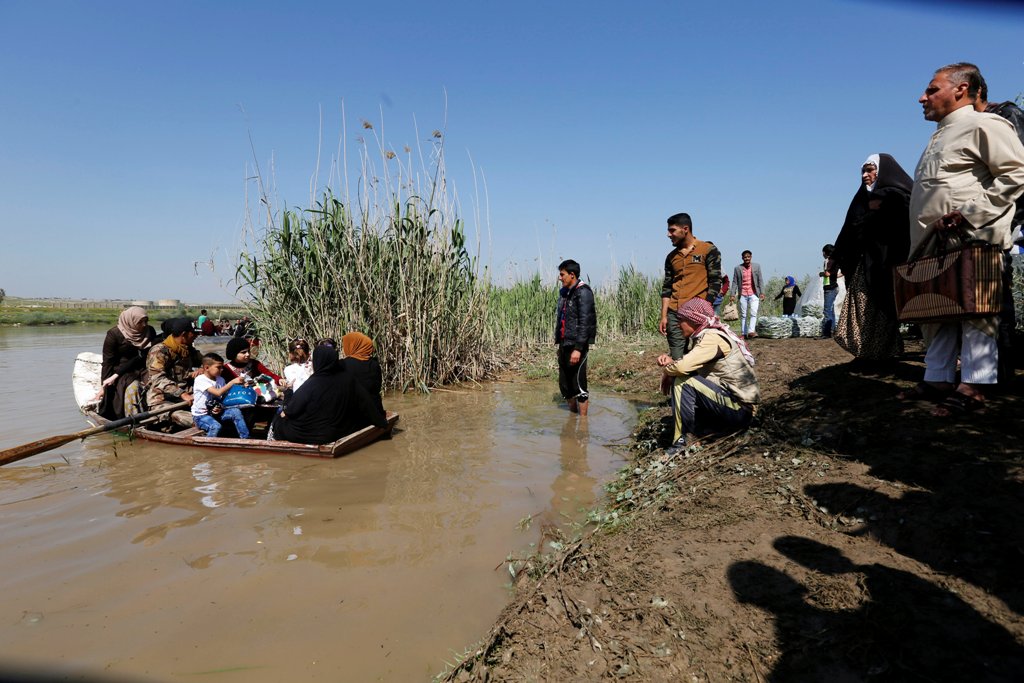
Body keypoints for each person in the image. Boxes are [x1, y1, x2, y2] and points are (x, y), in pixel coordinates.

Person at [904, 62, 1024, 415]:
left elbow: (1016, 174)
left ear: (960, 89)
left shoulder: (985, 124)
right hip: (933, 243)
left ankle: (974, 385)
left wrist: (970, 213)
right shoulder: (940, 134)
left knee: (976, 312)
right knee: (938, 310)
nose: (922, 97)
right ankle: (939, 377)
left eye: (932, 89)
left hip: (971, 237)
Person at [831, 153, 913, 360]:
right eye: (863, 171)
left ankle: (886, 353)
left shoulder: (897, 195)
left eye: (870, 170)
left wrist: (880, 212)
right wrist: (836, 256)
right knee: (860, 305)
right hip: (863, 264)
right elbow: (848, 228)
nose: (865, 175)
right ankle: (865, 353)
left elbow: (903, 226)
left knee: (884, 308)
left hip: (887, 262)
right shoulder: (861, 198)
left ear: (882, 171)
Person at [657, 298, 760, 456]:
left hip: (741, 410)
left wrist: (668, 370)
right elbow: (689, 366)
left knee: (682, 381)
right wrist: (673, 364)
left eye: (681, 321)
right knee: (683, 377)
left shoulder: (712, 338)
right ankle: (703, 430)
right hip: (734, 404)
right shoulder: (706, 336)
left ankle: (681, 441)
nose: (678, 325)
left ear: (694, 320)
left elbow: (683, 368)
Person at [974, 75, 1024, 382]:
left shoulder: (1004, 117)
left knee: (997, 285)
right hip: (996, 216)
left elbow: (1014, 173)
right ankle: (998, 368)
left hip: (1007, 216)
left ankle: (1002, 368)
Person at [270, 344, 388, 445]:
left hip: (316, 436)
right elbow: (366, 404)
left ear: (317, 362)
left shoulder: (312, 383)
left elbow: (292, 410)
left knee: (279, 421)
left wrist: (285, 405)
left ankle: (271, 440)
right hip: (342, 430)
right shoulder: (348, 379)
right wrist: (382, 424)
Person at [660, 213, 722, 359]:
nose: (669, 234)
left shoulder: (708, 250)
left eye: (672, 230)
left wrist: (704, 309)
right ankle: (678, 381)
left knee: (701, 357)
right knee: (677, 358)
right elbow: (667, 288)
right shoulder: (671, 257)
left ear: (685, 229)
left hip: (697, 315)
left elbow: (715, 282)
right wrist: (664, 316)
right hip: (674, 313)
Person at [97, 306, 156, 420]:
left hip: (144, 366)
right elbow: (108, 362)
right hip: (122, 371)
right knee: (133, 388)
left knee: (155, 383)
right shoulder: (114, 334)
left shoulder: (150, 331)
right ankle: (135, 420)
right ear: (130, 321)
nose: (144, 325)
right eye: (140, 322)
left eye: (146, 321)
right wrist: (103, 386)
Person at [555, 259, 597, 416]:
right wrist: (560, 344)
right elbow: (563, 320)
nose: (560, 278)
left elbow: (585, 322)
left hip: (576, 345)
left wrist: (578, 349)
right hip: (565, 343)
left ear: (572, 275)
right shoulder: (565, 293)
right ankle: (573, 417)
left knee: (578, 383)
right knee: (565, 385)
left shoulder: (583, 292)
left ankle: (584, 421)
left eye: (562, 274)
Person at [142, 317, 198, 419]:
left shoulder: (187, 349)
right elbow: (158, 379)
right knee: (191, 419)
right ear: (184, 334)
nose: (196, 336)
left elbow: (207, 361)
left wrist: (203, 369)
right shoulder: (159, 351)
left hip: (188, 396)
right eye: (193, 333)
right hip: (162, 399)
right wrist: (182, 394)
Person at [191, 353, 250, 439]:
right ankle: (208, 446)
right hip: (201, 416)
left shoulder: (220, 379)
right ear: (207, 368)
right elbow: (218, 393)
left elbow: (224, 396)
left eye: (222, 367)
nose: (222, 369)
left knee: (236, 411)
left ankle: (245, 439)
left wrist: (241, 386)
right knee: (216, 426)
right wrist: (232, 382)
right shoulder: (200, 379)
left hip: (216, 413)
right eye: (218, 367)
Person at [342, 331, 385, 414]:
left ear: (352, 345)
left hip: (355, 414)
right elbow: (377, 387)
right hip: (376, 411)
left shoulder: (343, 364)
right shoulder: (375, 364)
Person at [732, 250, 764, 339]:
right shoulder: (738, 268)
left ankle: (751, 331)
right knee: (744, 314)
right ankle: (743, 333)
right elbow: (734, 282)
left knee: (753, 313)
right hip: (743, 293)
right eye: (745, 257)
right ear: (742, 258)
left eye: (748, 257)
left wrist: (762, 292)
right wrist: (732, 294)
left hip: (754, 293)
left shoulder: (756, 266)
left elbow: (760, 280)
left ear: (751, 257)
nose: (747, 258)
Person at [820, 244, 841, 338]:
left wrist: (822, 273)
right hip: (831, 287)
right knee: (831, 310)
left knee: (827, 311)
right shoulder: (833, 261)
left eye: (823, 252)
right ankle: (832, 330)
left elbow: (828, 274)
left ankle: (827, 333)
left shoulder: (831, 262)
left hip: (830, 289)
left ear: (826, 252)